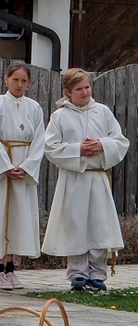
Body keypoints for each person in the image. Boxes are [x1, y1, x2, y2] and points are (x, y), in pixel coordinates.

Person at [42, 67, 128, 293]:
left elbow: (120, 141)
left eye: (87, 87)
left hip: (97, 177)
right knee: (76, 225)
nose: (85, 92)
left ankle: (98, 274)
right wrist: (78, 149)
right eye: (79, 89)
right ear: (68, 92)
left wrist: (101, 145)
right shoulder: (60, 116)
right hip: (74, 178)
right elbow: (50, 147)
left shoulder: (102, 112)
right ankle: (78, 274)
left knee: (99, 225)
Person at [0, 61, 45, 290]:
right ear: (6, 79)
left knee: (19, 217)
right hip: (2, 169)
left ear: (29, 83)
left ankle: (12, 269)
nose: (19, 84)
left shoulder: (34, 108)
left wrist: (27, 167)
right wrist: (5, 166)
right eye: (15, 79)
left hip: (23, 168)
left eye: (24, 81)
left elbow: (39, 140)